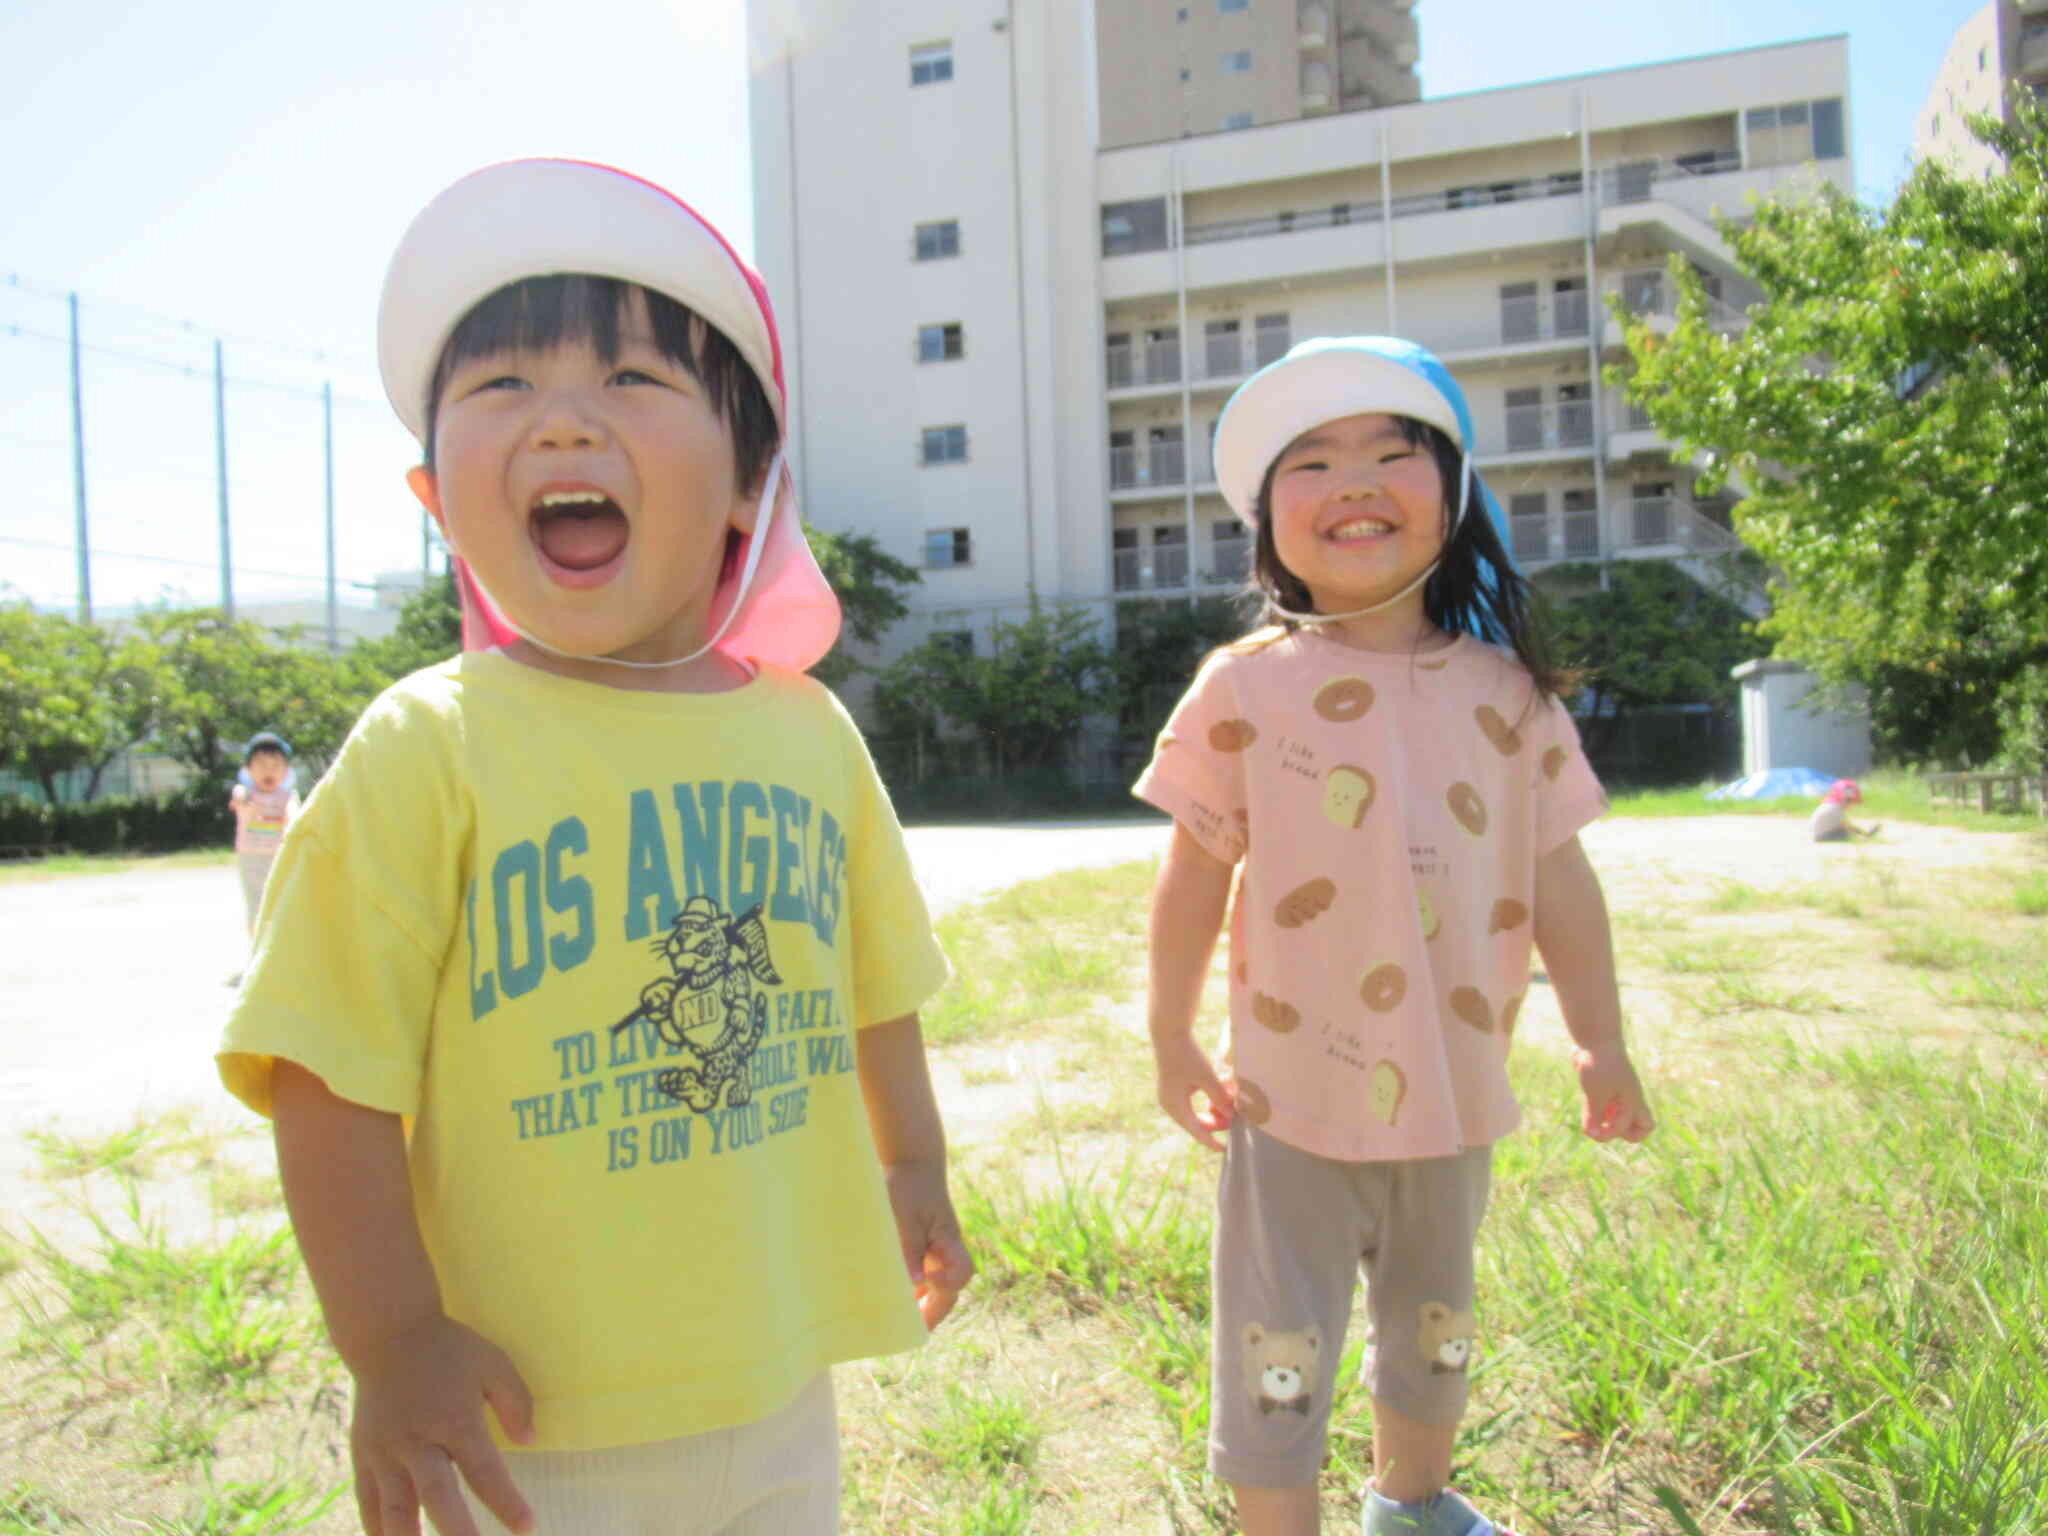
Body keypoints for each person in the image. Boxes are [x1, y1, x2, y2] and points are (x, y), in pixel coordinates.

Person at [218, 160, 971, 1536]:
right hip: (526, 1419)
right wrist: (391, 1342)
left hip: (777, 1370)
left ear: (751, 483)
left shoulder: (808, 737)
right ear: (438, 496)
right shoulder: (423, 748)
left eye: (631, 380)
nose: (563, 420)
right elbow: (328, 1076)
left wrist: (913, 1164)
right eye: (500, 389)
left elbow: (879, 982)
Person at [1135, 337, 1655, 1536]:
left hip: (1454, 1086)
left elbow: (1560, 878)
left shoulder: (1507, 694)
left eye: (1390, 450)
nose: (1355, 478)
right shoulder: (1243, 688)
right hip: (1289, 1099)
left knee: (1435, 1321)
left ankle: (1410, 1508)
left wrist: (1600, 1039)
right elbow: (1191, 873)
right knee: (1279, 1337)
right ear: (1267, 526)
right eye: (1308, 462)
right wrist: (1167, 1031)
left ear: (1451, 499)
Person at [228, 731, 299, 935]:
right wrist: (241, 798)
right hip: (251, 856)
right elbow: (238, 797)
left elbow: (293, 815)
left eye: (276, 765)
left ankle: (279, 944)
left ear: (286, 771)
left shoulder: (288, 796)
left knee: (281, 901)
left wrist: (290, 822)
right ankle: (257, 947)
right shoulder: (246, 792)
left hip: (279, 856)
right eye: (261, 765)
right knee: (255, 902)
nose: (269, 770)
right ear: (248, 770)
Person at [1811, 778, 1879, 841]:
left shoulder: (1831, 805)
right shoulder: (1835, 808)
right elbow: (1847, 827)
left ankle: (1863, 836)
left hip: (1819, 833)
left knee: (1846, 831)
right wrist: (1863, 834)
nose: (1852, 805)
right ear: (1847, 800)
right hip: (1822, 836)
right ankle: (1863, 838)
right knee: (1847, 833)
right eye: (1852, 802)